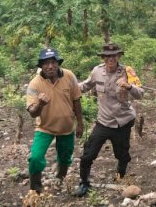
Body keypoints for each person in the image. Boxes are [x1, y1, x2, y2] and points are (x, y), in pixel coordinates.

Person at [74, 42, 144, 197]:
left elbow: (140, 93)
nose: (110, 59)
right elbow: (84, 86)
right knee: (88, 154)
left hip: (122, 122)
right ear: (103, 57)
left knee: (122, 155)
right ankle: (84, 182)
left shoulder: (128, 71)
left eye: (113, 56)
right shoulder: (97, 71)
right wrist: (67, 87)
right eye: (107, 56)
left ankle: (120, 175)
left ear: (118, 56)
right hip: (103, 121)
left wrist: (128, 86)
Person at [26, 48, 84, 193]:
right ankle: (36, 186)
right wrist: (40, 104)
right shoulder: (34, 84)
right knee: (35, 157)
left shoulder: (69, 76)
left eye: (53, 62)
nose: (50, 66)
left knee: (65, 157)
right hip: (45, 127)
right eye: (46, 63)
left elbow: (76, 100)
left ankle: (60, 176)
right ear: (41, 66)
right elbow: (32, 113)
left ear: (58, 63)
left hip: (66, 127)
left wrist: (80, 124)